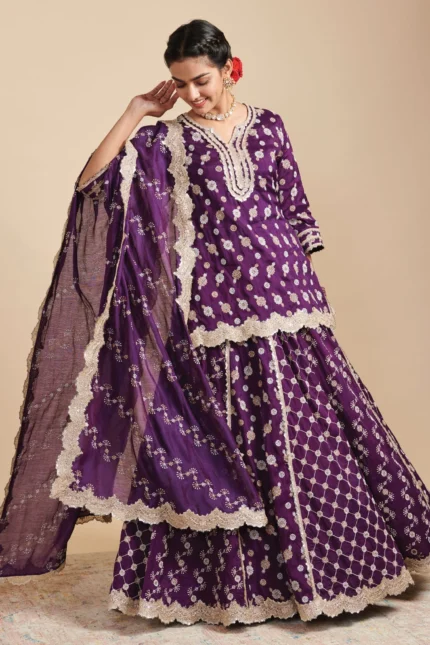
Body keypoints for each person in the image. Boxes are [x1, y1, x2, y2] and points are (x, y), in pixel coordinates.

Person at [0, 18, 429, 627]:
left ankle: (334, 569)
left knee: (307, 436)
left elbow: (294, 209)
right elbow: (92, 182)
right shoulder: (167, 141)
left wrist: (303, 291)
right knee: (233, 437)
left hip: (289, 300)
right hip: (217, 311)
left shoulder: (270, 125)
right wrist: (135, 113)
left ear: (230, 69)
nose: (192, 94)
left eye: (201, 80)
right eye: (181, 84)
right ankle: (240, 586)